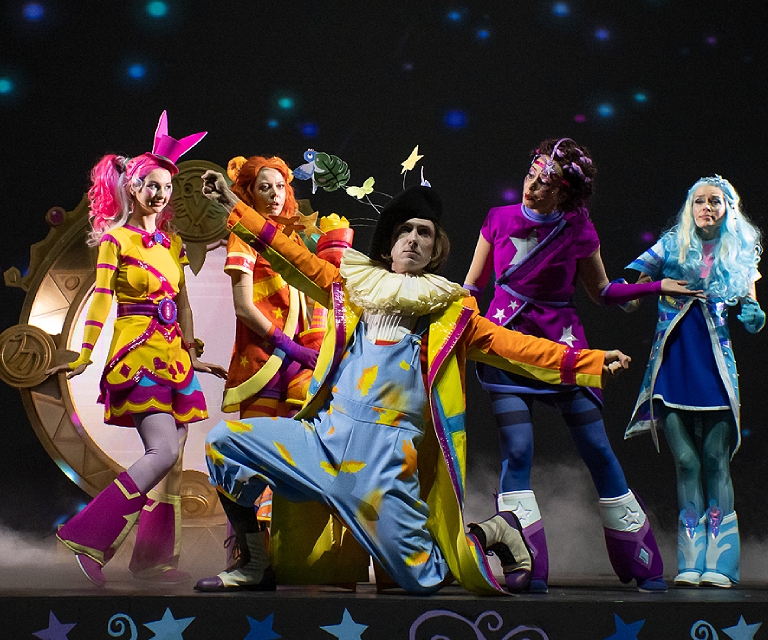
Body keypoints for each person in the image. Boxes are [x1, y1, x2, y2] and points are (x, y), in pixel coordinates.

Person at [195, 173, 631, 596]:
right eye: (405, 230)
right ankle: (253, 563)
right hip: (323, 440)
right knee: (224, 442)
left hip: (385, 462)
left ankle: (495, 531)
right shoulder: (353, 288)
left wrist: (590, 361)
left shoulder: (450, 313)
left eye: (425, 233)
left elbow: (517, 348)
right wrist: (234, 205)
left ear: (435, 248)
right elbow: (292, 256)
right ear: (389, 244)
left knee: (422, 581)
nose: (414, 239)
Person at [463, 138, 693, 592]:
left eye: (545, 184)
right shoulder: (498, 219)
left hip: (565, 350)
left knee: (597, 449)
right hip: (506, 348)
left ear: (565, 194)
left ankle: (642, 561)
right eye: (531, 176)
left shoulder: (577, 229)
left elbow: (602, 292)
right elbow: (472, 287)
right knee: (517, 451)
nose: (532, 188)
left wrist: (656, 286)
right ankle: (527, 565)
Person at [47, 112, 226, 587]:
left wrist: (192, 350)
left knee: (175, 456)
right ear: (132, 187)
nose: (160, 194)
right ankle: (85, 535)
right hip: (137, 355)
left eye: (167, 187)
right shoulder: (115, 240)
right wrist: (85, 352)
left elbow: (181, 303)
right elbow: (102, 299)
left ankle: (152, 559)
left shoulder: (172, 243)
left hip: (174, 360)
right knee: (162, 451)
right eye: (151, 185)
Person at [221, 155, 368, 586]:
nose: (273, 195)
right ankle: (248, 558)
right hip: (261, 361)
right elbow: (243, 306)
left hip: (299, 365)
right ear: (249, 193)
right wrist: (287, 346)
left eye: (280, 187)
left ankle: (289, 557)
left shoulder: (295, 239)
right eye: (263, 187)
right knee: (251, 460)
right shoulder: (243, 236)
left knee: (292, 459)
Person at [623, 175, 762, 588]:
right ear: (690, 208)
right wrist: (634, 293)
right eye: (699, 201)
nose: (706, 207)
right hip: (673, 363)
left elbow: (753, 314)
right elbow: (631, 289)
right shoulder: (670, 245)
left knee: (716, 459)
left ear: (728, 208)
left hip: (715, 366)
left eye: (715, 201)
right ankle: (690, 557)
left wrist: (756, 317)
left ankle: (722, 562)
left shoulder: (738, 252)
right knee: (685, 462)